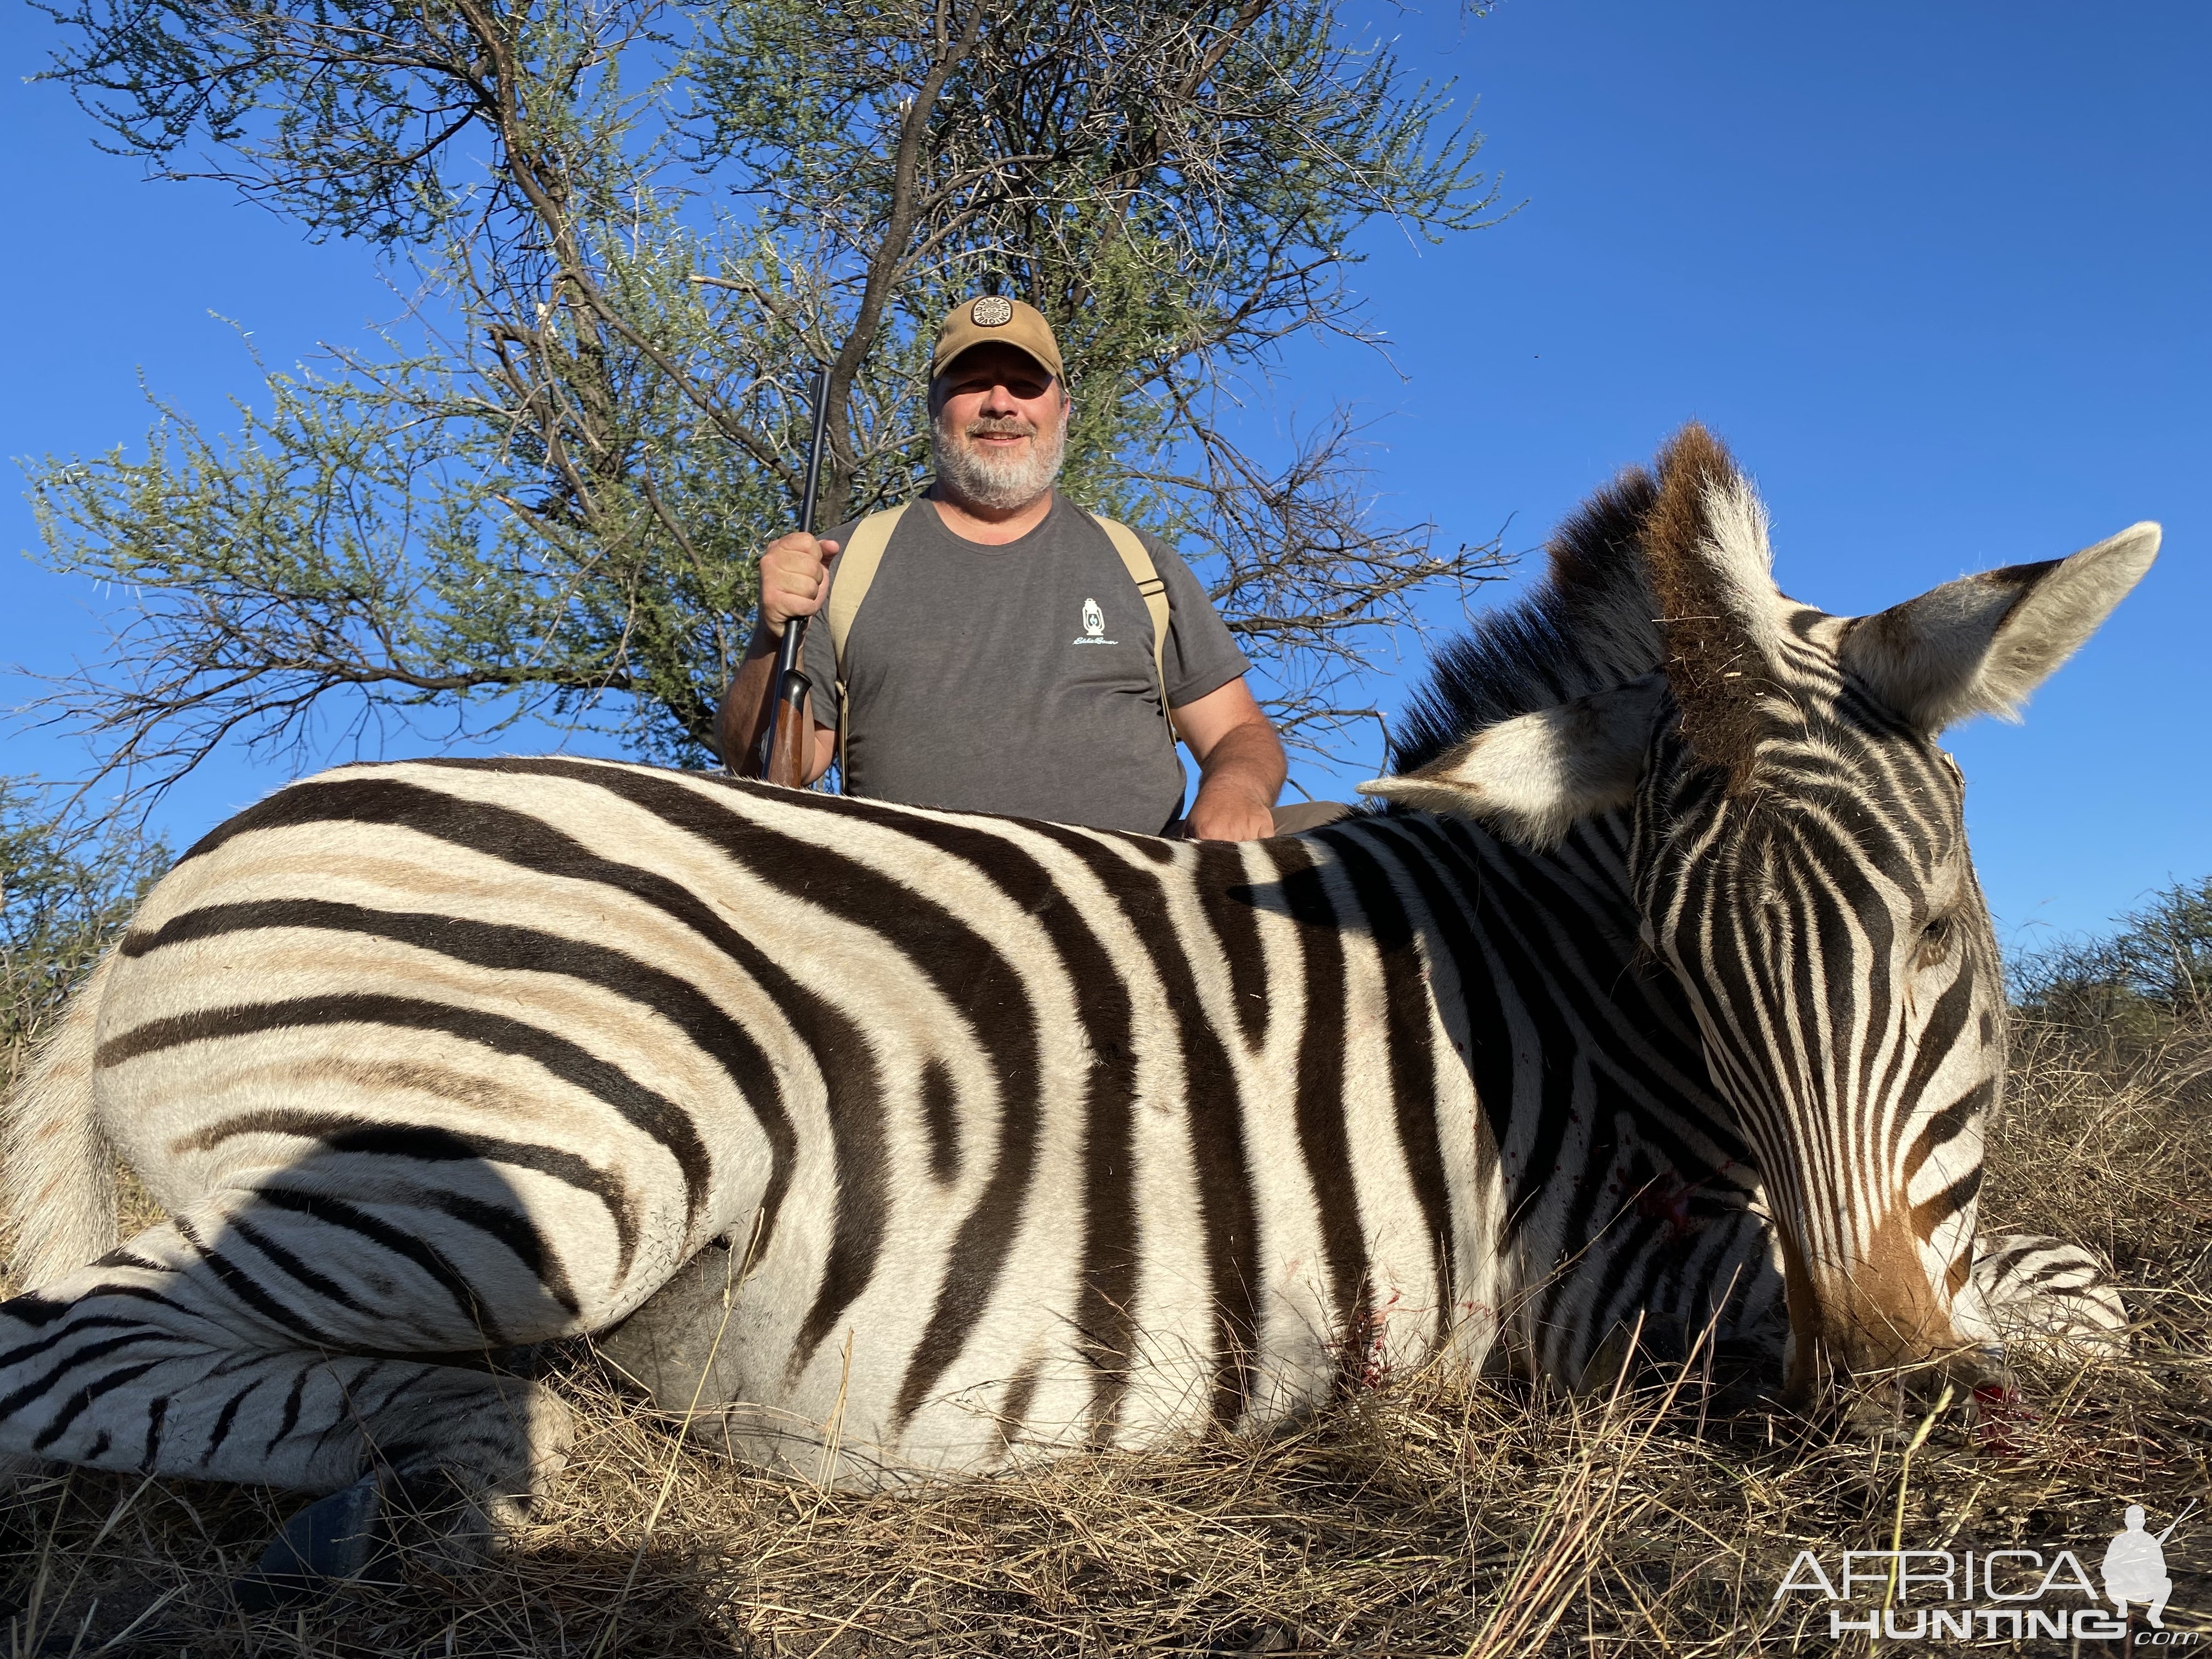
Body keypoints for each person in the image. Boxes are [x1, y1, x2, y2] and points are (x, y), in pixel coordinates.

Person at [720, 296, 1320, 840]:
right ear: (934, 408)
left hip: (1138, 915)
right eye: (973, 382)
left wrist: (1236, 790)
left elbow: (1239, 734)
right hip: (924, 925)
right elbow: (769, 768)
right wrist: (772, 635)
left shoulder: (1141, 562)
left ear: (1062, 409)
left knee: (1348, 833)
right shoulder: (843, 561)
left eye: (1026, 384)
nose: (1000, 403)